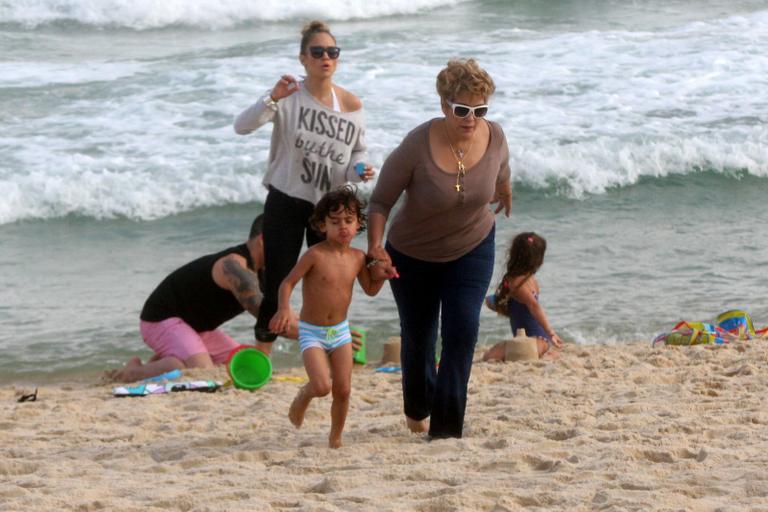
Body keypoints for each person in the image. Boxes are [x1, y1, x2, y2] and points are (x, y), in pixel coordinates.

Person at [366, 59, 512, 439]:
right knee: (420, 336)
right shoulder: (417, 145)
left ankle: (446, 430)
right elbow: (380, 201)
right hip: (412, 255)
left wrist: (505, 189)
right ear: (444, 104)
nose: (471, 118)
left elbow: (502, 168)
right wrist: (375, 248)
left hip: (473, 246)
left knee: (463, 330)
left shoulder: (494, 135)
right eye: (462, 110)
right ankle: (417, 406)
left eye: (480, 110)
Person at [234, 20, 374, 351]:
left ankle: (326, 349)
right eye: (318, 51)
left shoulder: (352, 105)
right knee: (280, 280)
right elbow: (242, 126)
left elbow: (356, 154)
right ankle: (262, 354)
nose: (326, 57)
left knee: (329, 279)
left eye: (332, 52)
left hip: (328, 209)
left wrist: (359, 170)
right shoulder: (289, 95)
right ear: (303, 58)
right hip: (286, 201)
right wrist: (271, 97)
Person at [269, 186, 390, 448]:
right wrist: (284, 309)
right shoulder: (314, 255)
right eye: (335, 222)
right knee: (322, 386)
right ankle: (304, 394)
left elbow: (370, 290)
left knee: (343, 389)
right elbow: (287, 283)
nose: (343, 227)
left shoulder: (358, 257)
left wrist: (381, 276)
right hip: (311, 331)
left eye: (349, 220)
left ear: (358, 223)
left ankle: (335, 438)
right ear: (322, 225)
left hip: (340, 332)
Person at [107, 215, 286, 382]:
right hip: (160, 318)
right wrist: (312, 334)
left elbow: (280, 314)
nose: (289, 249)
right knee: (203, 371)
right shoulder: (234, 266)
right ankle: (134, 371)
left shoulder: (265, 272)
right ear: (263, 240)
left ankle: (167, 359)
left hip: (194, 327)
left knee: (236, 363)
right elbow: (269, 317)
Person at [482, 232, 564, 361]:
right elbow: (525, 307)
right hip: (540, 341)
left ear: (513, 255)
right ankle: (546, 352)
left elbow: (533, 305)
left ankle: (544, 353)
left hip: (531, 342)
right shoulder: (530, 279)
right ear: (538, 260)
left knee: (488, 357)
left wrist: (551, 332)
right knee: (495, 354)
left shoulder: (515, 282)